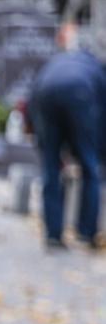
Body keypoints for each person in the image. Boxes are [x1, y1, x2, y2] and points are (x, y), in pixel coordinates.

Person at [31, 43, 106, 249]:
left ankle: (53, 234)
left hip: (45, 92)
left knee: (50, 167)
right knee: (90, 166)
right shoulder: (96, 70)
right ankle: (87, 233)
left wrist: (44, 144)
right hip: (80, 94)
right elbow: (101, 118)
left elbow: (33, 99)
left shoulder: (56, 62)